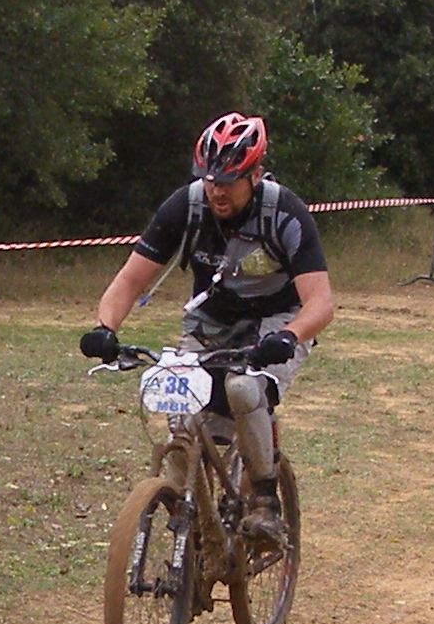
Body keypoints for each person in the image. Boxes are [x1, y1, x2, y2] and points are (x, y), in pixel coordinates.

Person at [78, 114, 335, 543]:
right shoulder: (187, 205)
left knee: (243, 389)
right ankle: (187, 514)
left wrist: (288, 336)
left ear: (255, 175)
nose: (217, 190)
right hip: (210, 321)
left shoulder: (284, 213)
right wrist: (105, 327)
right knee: (181, 406)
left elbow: (320, 303)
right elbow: (130, 280)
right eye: (210, 179)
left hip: (276, 322)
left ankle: (265, 502)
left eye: (229, 180)